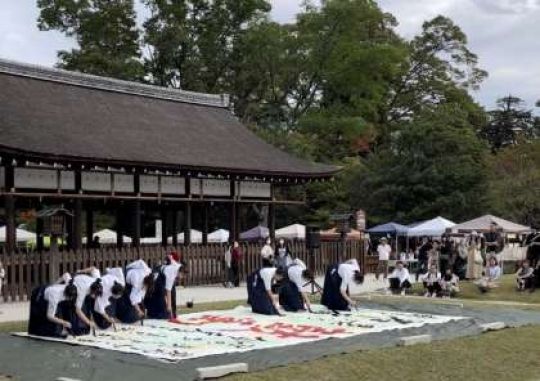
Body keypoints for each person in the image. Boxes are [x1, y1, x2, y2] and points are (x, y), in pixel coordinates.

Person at [145, 251, 185, 320]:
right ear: (180, 272)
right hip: (158, 277)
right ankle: (152, 313)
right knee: (160, 297)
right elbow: (168, 291)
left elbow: (171, 259)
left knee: (173, 291)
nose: (182, 277)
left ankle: (174, 313)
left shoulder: (178, 266)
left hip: (163, 275)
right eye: (182, 275)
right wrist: (169, 307)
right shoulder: (172, 273)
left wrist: (173, 311)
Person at [116, 259, 154, 323]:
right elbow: (132, 298)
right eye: (146, 287)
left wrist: (142, 303)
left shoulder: (148, 272)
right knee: (126, 296)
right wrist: (138, 310)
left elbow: (141, 262)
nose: (145, 289)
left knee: (140, 303)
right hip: (127, 275)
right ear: (145, 283)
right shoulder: (137, 282)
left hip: (133, 272)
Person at [71, 267, 103, 335]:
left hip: (82, 279)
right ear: (92, 291)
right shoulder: (83, 290)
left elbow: (93, 269)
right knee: (81, 308)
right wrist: (89, 322)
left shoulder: (98, 281)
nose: (95, 297)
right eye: (95, 295)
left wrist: (81, 270)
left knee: (90, 303)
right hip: (74, 286)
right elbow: (78, 310)